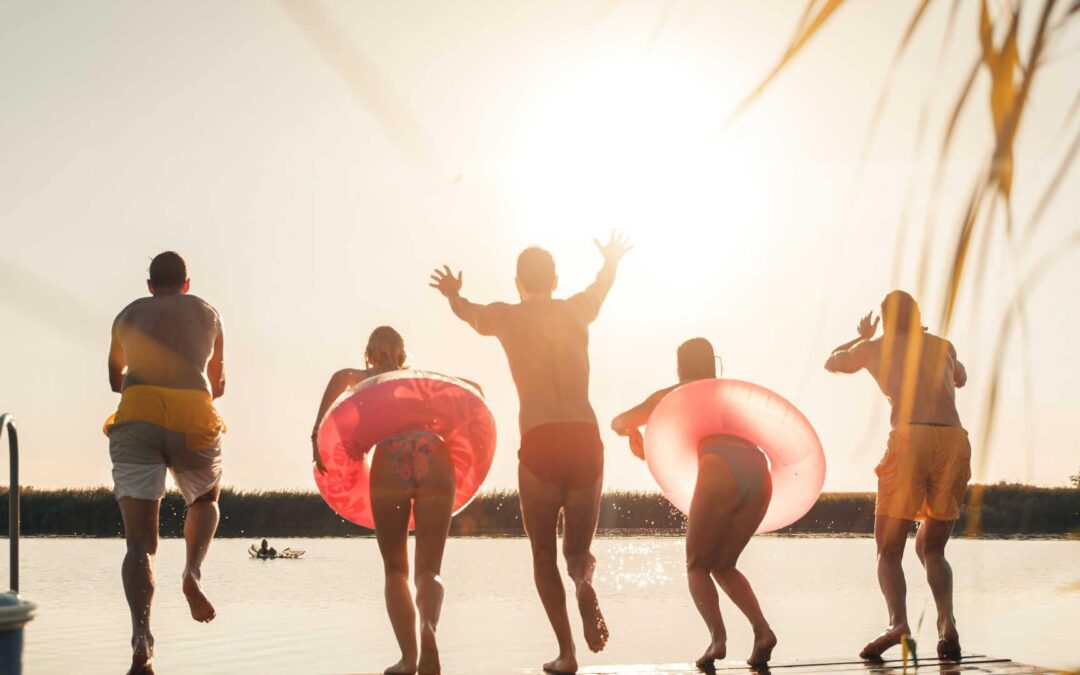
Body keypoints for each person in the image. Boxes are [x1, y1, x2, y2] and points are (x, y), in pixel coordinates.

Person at [429, 232, 631, 674]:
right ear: (555, 280)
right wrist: (611, 259)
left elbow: (468, 312)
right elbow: (603, 284)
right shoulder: (577, 309)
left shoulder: (506, 317)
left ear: (518, 282)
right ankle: (583, 582)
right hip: (584, 436)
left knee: (543, 555)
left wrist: (453, 294)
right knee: (576, 551)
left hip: (540, 441)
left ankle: (567, 653)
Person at [311, 326, 475, 675]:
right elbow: (473, 389)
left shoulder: (357, 377)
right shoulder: (420, 380)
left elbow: (327, 412)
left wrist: (316, 440)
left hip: (391, 456)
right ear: (403, 353)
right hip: (433, 452)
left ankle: (408, 659)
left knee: (396, 569)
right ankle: (428, 627)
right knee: (429, 570)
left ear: (368, 353)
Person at [610, 338, 777, 668]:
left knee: (696, 565)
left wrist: (631, 432)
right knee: (723, 564)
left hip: (719, 463)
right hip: (759, 469)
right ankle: (762, 631)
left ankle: (717, 640)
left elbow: (618, 421)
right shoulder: (726, 393)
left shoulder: (676, 393)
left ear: (680, 366)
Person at [825, 290, 970, 662]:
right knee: (932, 548)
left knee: (889, 550)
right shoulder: (943, 346)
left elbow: (833, 362)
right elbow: (961, 378)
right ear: (917, 315)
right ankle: (947, 625)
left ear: (886, 320)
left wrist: (861, 337)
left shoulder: (874, 348)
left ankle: (898, 623)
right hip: (953, 440)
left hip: (910, 439)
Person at [106, 251, 225, 675]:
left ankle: (142, 637)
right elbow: (219, 383)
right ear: (186, 284)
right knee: (206, 498)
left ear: (150, 285)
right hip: (193, 411)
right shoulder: (207, 313)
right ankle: (192, 572)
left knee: (140, 544)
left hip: (138, 412)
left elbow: (115, 380)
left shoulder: (127, 314)